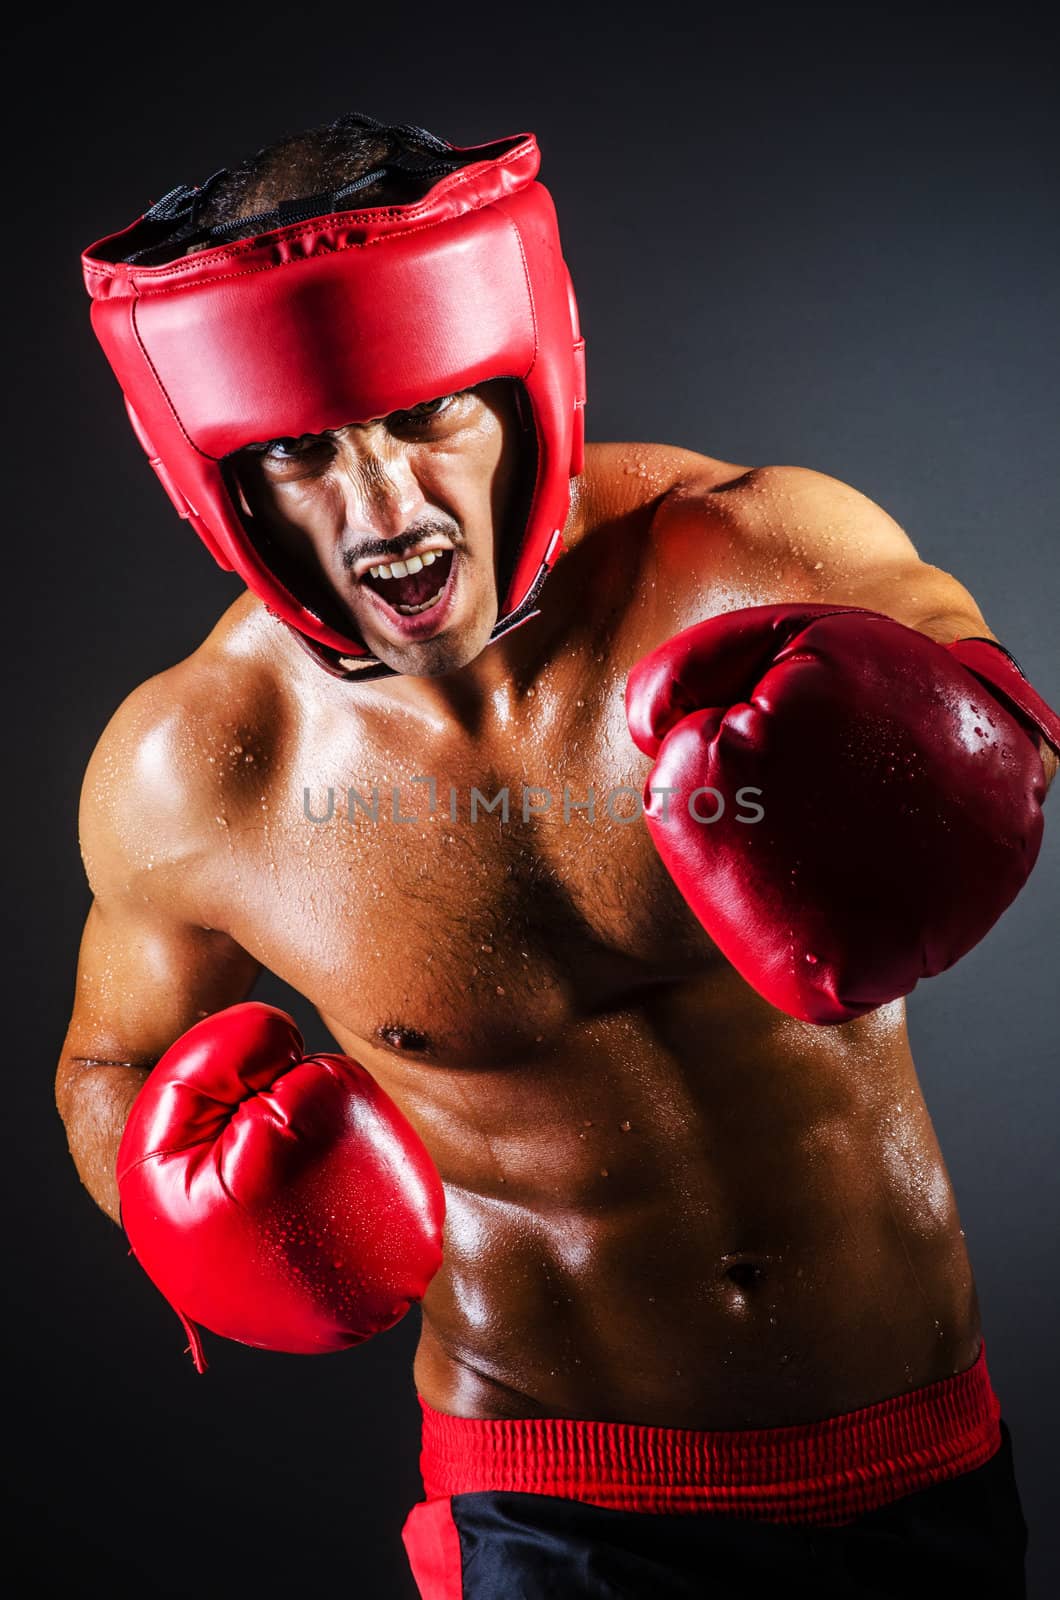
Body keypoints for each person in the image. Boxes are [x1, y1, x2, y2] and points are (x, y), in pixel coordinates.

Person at [60, 112, 1059, 1597]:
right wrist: (190, 1209)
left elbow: (1002, 723)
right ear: (227, 483)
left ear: (525, 391)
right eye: (304, 455)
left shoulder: (760, 556)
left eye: (425, 417)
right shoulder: (199, 771)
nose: (385, 508)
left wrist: (938, 755)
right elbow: (114, 1066)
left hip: (911, 1460)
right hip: (554, 1504)